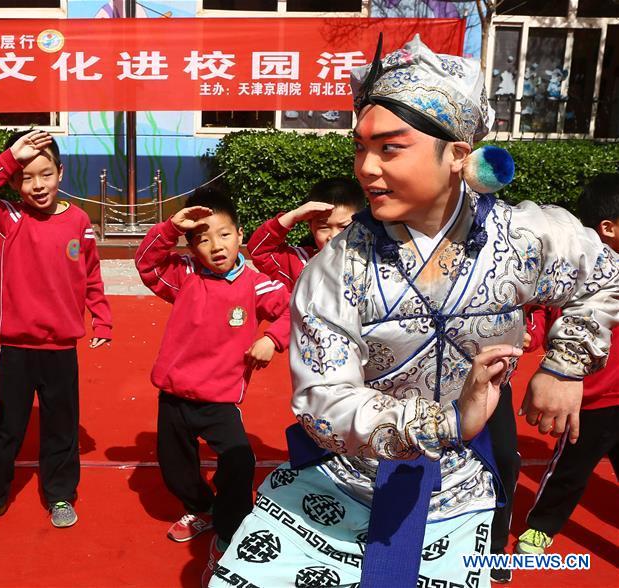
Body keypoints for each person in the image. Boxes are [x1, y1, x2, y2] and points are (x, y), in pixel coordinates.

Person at [210, 35, 619, 588]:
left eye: (390, 148)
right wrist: (446, 421)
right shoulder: (336, 267)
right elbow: (322, 399)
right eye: (360, 147)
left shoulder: (525, 236)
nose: (366, 168)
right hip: (347, 478)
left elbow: (603, 276)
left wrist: (566, 366)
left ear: (457, 155)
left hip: (462, 484)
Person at [135, 187, 290, 584]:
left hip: (220, 399)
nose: (215, 246)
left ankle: (227, 529)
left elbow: (295, 309)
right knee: (175, 470)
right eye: (202, 239)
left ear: (240, 234)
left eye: (223, 234)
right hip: (173, 394)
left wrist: (271, 339)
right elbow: (147, 262)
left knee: (239, 462)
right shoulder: (183, 276)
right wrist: (171, 226)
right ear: (190, 245)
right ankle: (201, 507)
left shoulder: (257, 284)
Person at [0, 130, 112, 532]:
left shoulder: (79, 220)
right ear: (14, 182)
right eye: (27, 178)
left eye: (45, 174)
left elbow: (91, 274)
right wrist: (10, 157)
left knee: (62, 424)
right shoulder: (8, 219)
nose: (38, 185)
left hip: (62, 347)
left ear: (60, 172)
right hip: (16, 346)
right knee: (7, 427)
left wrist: (102, 315)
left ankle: (60, 494)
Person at [515, 173, 619, 557]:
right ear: (607, 229)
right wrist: (532, 333)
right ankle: (542, 526)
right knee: (570, 472)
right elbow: (544, 313)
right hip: (590, 402)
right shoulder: (576, 276)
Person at [248, 178, 365, 290]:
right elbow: (259, 250)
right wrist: (293, 216)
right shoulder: (299, 263)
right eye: (323, 227)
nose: (333, 236)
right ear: (311, 226)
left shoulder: (373, 263)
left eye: (345, 227)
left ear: (362, 226)